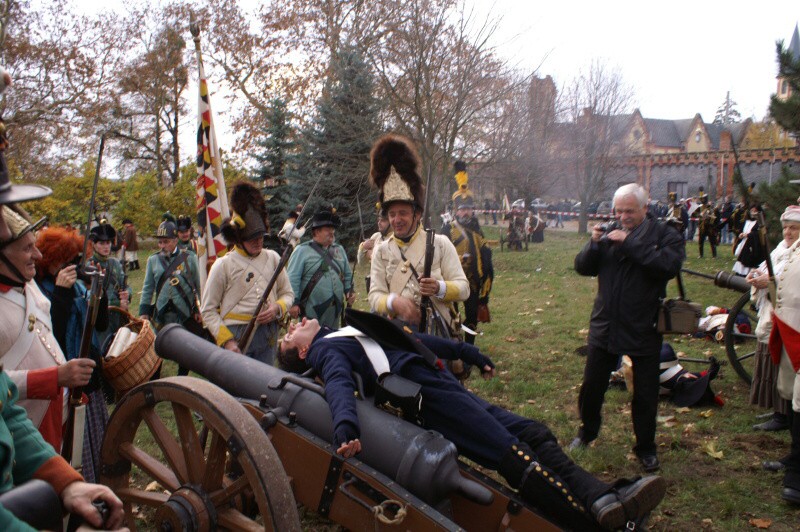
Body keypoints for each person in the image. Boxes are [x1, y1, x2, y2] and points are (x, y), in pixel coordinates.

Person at [277, 309, 667, 531]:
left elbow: (414, 340)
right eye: (289, 335)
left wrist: (468, 351)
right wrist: (346, 427)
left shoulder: (342, 332)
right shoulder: (324, 353)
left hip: (438, 382)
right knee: (510, 453)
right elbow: (340, 386)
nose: (294, 324)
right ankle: (594, 525)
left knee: (533, 432)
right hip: (426, 396)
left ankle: (599, 497)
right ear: (304, 350)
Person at [570, 183, 685, 473]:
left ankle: (646, 447)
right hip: (605, 323)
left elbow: (668, 266)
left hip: (643, 325)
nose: (623, 216)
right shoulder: (609, 230)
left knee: (646, 393)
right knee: (592, 386)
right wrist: (594, 243)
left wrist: (629, 243)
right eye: (619, 210)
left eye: (630, 211)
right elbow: (583, 267)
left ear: (645, 208)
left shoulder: (665, 234)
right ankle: (586, 432)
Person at [0, 208, 97, 454]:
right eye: (26, 248)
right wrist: (55, 377)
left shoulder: (26, 281)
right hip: (20, 432)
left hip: (55, 416)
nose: (38, 254)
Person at [367, 135, 468, 336]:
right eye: (392, 214)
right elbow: (374, 296)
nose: (396, 220)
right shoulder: (381, 251)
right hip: (397, 334)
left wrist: (439, 288)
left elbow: (464, 289)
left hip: (436, 333)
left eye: (403, 213)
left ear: (417, 214)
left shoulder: (440, 244)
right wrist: (393, 302)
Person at [34, 226, 112, 483]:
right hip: (67, 381)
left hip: (90, 377)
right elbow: (52, 335)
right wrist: (62, 294)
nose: (70, 266)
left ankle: (102, 481)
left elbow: (100, 324)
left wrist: (99, 290)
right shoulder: (42, 292)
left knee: (99, 439)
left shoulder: (80, 287)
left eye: (73, 260)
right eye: (63, 261)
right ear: (50, 261)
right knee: (75, 445)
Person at [201, 182, 294, 365]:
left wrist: (277, 307)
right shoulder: (223, 265)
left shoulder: (273, 258)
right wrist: (227, 342)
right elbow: (208, 311)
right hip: (236, 337)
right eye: (251, 238)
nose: (258, 242)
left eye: (260, 237)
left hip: (268, 335)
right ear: (238, 238)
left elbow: (288, 294)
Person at [748, 206, 800, 440]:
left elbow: (787, 280)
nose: (788, 232)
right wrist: (756, 275)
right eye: (786, 227)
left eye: (794, 228)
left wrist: (768, 281)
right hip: (770, 313)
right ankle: (777, 410)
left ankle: (783, 415)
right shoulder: (782, 248)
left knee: (783, 366)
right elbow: (769, 268)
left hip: (788, 319)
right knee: (769, 360)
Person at [764, 205, 800, 505]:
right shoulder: (792, 250)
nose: (789, 233)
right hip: (792, 329)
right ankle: (796, 457)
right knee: (796, 400)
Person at [139, 215, 203, 376]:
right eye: (160, 242)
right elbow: (148, 288)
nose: (162, 245)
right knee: (157, 348)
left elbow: (199, 285)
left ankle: (182, 378)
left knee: (184, 349)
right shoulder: (153, 260)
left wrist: (200, 309)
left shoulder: (190, 258)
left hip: (184, 312)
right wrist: (144, 312)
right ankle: (155, 378)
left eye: (166, 241)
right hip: (161, 313)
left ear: (175, 240)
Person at [442, 160, 493, 345]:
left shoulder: (478, 231)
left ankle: (469, 349)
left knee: (471, 318)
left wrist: (485, 289)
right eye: (462, 209)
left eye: (468, 209)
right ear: (456, 210)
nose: (465, 212)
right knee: (450, 318)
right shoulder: (447, 230)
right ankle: (453, 347)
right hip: (451, 281)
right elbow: (439, 255)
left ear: (473, 210)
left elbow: (486, 259)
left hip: (472, 283)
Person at [287, 206, 354, 329]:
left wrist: (349, 290)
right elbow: (292, 278)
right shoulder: (301, 251)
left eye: (333, 228)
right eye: (328, 228)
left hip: (335, 309)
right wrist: (293, 303)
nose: (332, 232)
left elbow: (347, 274)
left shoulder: (339, 249)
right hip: (311, 309)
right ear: (316, 231)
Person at [87, 220, 130, 351]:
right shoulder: (89, 266)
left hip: (117, 318)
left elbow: (125, 285)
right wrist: (118, 304)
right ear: (94, 245)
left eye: (108, 243)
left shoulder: (115, 263)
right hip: (100, 321)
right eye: (101, 243)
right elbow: (89, 298)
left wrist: (127, 294)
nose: (106, 246)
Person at [356, 206, 391, 295]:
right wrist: (363, 247)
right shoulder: (376, 237)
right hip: (375, 287)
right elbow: (362, 263)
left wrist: (373, 255)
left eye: (383, 220)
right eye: (378, 220)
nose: (379, 223)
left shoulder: (396, 238)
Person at [697, 191, 719, 258]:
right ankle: (701, 255)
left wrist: (708, 217)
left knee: (712, 241)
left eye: (703, 199)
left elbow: (714, 217)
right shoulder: (700, 207)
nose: (702, 200)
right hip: (702, 227)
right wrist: (700, 216)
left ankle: (714, 255)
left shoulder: (710, 207)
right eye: (702, 199)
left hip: (709, 227)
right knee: (701, 241)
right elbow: (695, 214)